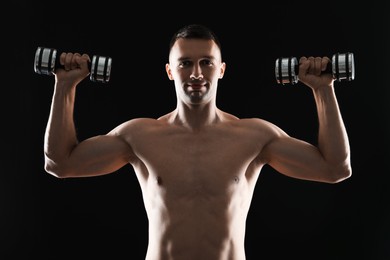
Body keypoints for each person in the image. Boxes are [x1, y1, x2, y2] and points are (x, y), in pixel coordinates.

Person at [43, 24, 352, 260]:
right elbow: (60, 163)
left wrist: (323, 89)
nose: (196, 73)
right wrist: (65, 85)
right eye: (185, 63)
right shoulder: (139, 135)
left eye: (206, 62)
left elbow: (334, 168)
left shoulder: (254, 136)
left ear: (221, 70)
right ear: (169, 71)